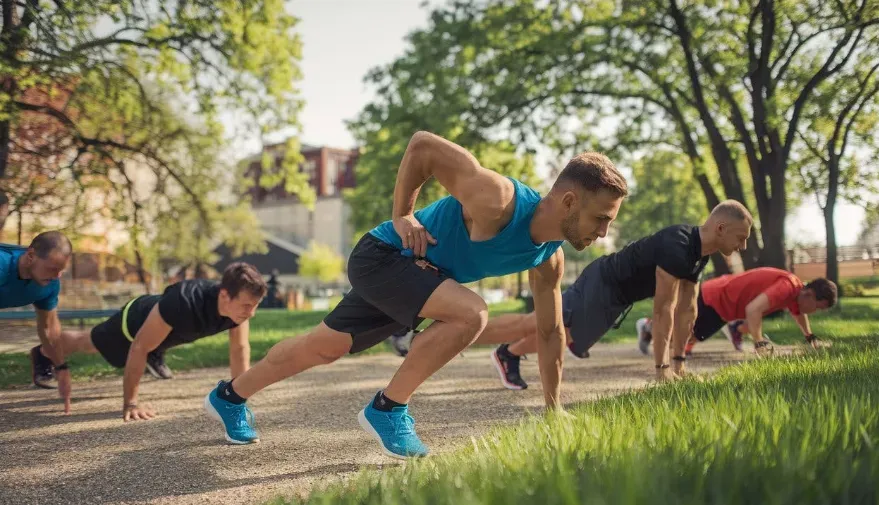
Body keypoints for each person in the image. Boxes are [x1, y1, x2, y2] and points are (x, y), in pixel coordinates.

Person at [203, 131, 628, 458]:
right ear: (569, 201)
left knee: (322, 347)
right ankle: (388, 410)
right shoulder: (498, 200)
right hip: (384, 255)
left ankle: (229, 396)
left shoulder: (547, 258)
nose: (604, 232)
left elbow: (550, 332)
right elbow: (423, 145)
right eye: (601, 218)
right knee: (471, 313)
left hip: (418, 279)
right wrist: (403, 214)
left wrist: (553, 408)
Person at [466, 201, 753, 390]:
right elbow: (663, 310)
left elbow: (687, 311)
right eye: (741, 237)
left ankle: (508, 353)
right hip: (603, 280)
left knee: (566, 335)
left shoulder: (699, 255)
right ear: (720, 228)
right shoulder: (678, 245)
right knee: (540, 321)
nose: (742, 246)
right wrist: (662, 369)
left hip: (617, 298)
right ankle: (462, 330)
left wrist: (679, 364)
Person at [34, 262, 266, 419]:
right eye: (247, 305)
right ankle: (44, 352)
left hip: (166, 333)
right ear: (225, 295)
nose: (252, 313)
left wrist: (238, 399)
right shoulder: (184, 301)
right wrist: (131, 404)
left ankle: (156, 353)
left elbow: (239, 349)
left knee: (152, 344)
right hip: (133, 324)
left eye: (255, 306)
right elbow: (139, 346)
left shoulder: (238, 311)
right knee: (86, 344)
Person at [636, 268, 837, 356]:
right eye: (817, 308)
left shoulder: (795, 296)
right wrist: (759, 341)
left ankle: (650, 328)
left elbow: (798, 315)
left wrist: (809, 336)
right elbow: (753, 310)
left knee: (689, 338)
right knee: (680, 334)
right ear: (810, 295)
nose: (814, 312)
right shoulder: (788, 286)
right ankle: (648, 326)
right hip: (712, 297)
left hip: (724, 311)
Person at [1, 231, 73, 409]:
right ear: (31, 256)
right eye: (52, 268)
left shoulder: (49, 282)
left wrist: (61, 368)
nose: (57, 275)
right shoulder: (2, 265)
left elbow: (49, 329)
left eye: (61, 270)